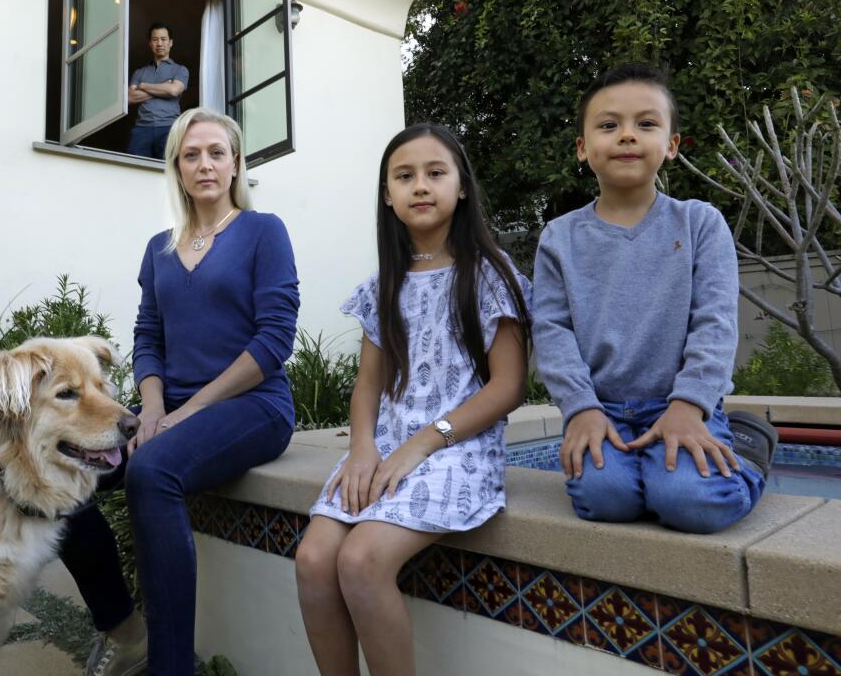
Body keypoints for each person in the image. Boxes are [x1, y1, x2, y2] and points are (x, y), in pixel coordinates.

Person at [59, 107, 299, 676]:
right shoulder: (159, 247)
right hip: (170, 410)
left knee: (151, 470)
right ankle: (124, 627)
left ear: (235, 162)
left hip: (255, 406)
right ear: (177, 167)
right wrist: (153, 408)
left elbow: (275, 340)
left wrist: (187, 412)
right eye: (191, 155)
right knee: (61, 481)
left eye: (216, 152)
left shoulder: (264, 232)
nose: (205, 164)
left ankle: (172, 668)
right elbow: (148, 336)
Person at [295, 123, 531, 676]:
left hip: (455, 448)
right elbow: (369, 385)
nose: (420, 186)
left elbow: (508, 386)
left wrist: (424, 443)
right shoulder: (385, 283)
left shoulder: (491, 274)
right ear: (387, 195)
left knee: (361, 560)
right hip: (386, 448)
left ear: (462, 186)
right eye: (404, 176)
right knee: (311, 560)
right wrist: (360, 449)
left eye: (435, 173)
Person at [532, 62, 778, 534]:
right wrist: (579, 409)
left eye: (646, 124)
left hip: (681, 404)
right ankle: (645, 472)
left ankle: (747, 451)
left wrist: (689, 406)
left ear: (671, 146)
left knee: (692, 501)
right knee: (604, 499)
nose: (627, 135)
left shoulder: (699, 223)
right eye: (609, 125)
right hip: (601, 411)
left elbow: (716, 321)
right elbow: (551, 330)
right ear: (583, 148)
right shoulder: (559, 238)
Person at [126, 23, 190, 159]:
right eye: (155, 40)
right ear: (150, 43)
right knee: (136, 170)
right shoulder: (140, 72)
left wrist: (143, 86)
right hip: (141, 128)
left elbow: (173, 90)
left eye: (163, 39)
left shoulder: (180, 70)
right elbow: (129, 98)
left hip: (169, 127)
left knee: (168, 171)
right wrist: (163, 87)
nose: (159, 43)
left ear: (170, 43)